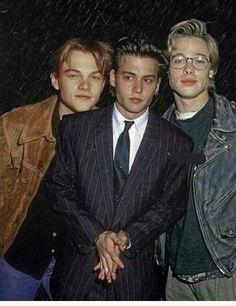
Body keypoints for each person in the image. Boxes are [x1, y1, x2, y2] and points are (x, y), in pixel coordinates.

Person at [46, 38, 194, 301]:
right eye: (129, 77)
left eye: (147, 80)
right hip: (77, 275)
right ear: (113, 78)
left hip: (137, 279)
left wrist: (126, 238)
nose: (138, 88)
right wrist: (97, 236)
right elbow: (59, 190)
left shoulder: (180, 143)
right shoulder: (75, 128)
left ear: (158, 85)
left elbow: (172, 204)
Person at [0, 37, 113, 300]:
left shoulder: (113, 136)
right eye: (74, 75)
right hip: (18, 258)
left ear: (105, 84)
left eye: (94, 77)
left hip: (76, 266)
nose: (85, 86)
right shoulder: (14, 125)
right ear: (55, 80)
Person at [162, 18, 236, 300]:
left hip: (224, 275)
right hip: (174, 279)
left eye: (199, 60)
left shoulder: (232, 128)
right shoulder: (155, 133)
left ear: (212, 70)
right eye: (179, 59)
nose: (189, 68)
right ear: (168, 70)